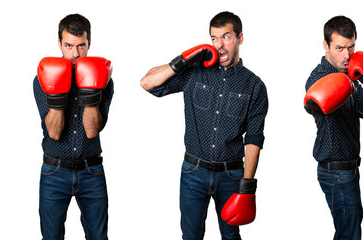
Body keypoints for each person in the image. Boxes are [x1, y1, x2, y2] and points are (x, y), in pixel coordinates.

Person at [140, 11, 268, 240]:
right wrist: (182, 61)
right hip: (193, 172)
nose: (219, 45)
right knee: (191, 237)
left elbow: (254, 139)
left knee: (231, 237)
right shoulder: (194, 73)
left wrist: (247, 186)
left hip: (231, 175)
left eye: (226, 37)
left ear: (240, 38)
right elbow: (148, 83)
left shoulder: (255, 86)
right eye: (214, 38)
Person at [33, 13, 114, 239]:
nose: (75, 54)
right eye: (68, 46)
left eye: (81, 46)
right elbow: (54, 132)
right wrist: (57, 89)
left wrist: (90, 90)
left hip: (91, 171)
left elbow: (91, 130)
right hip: (54, 171)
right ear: (59, 43)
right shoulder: (42, 77)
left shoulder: (104, 79)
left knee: (98, 237)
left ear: (90, 43)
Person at [304, 16, 363, 240]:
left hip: (349, 169)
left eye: (351, 47)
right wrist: (317, 102)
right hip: (335, 170)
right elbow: (312, 102)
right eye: (339, 48)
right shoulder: (318, 77)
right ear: (326, 45)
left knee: (350, 228)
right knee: (349, 233)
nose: (347, 55)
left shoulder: (351, 75)